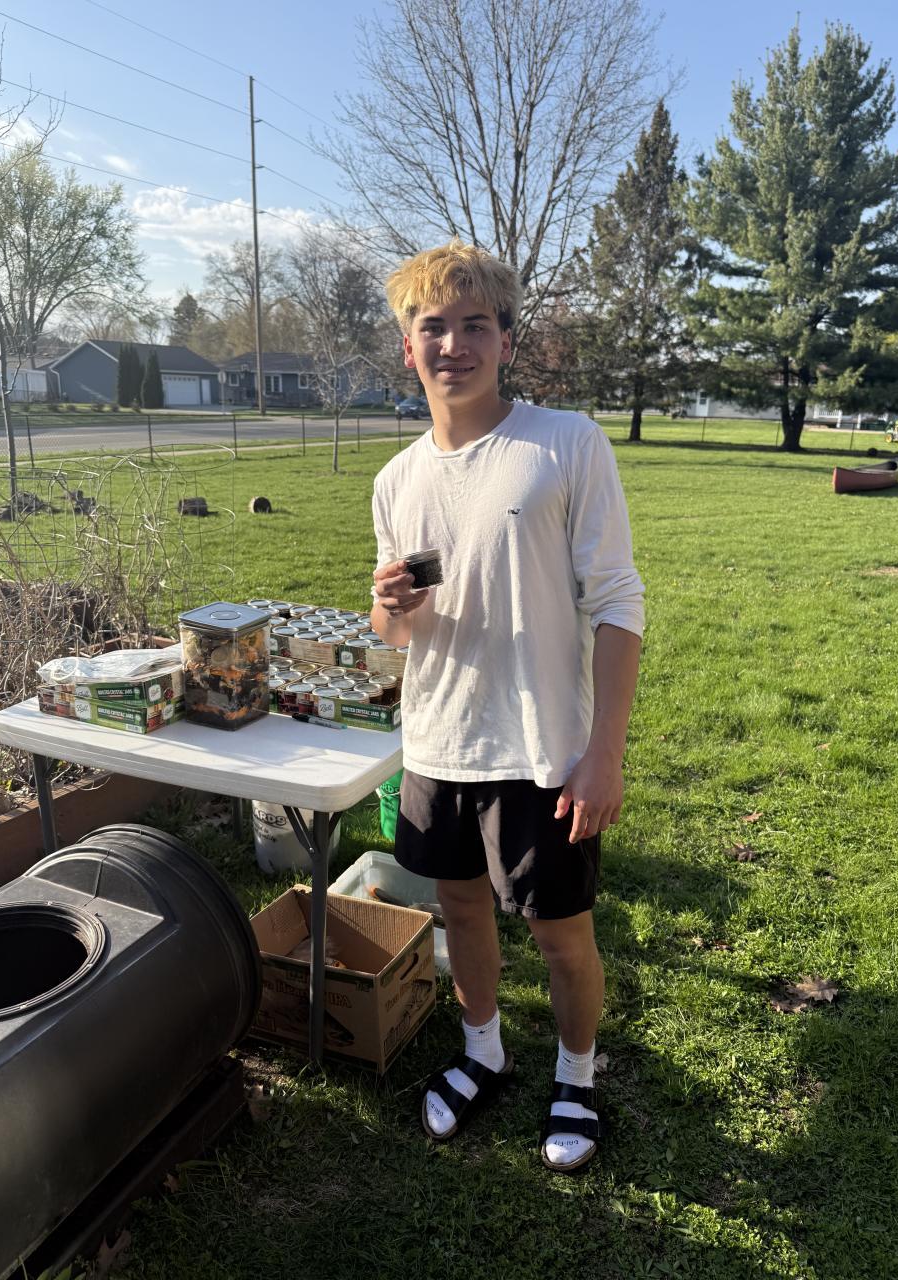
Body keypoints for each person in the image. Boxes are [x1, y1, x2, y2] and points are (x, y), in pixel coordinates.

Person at [370, 240, 644, 1174]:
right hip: (437, 740)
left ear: (506, 342)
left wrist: (602, 754)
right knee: (460, 909)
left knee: (560, 934)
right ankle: (482, 1051)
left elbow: (619, 604)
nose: (453, 344)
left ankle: (577, 1075)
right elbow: (397, 633)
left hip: (542, 747)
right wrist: (388, 604)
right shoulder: (396, 480)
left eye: (475, 325)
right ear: (408, 347)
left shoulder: (564, 444)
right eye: (433, 327)